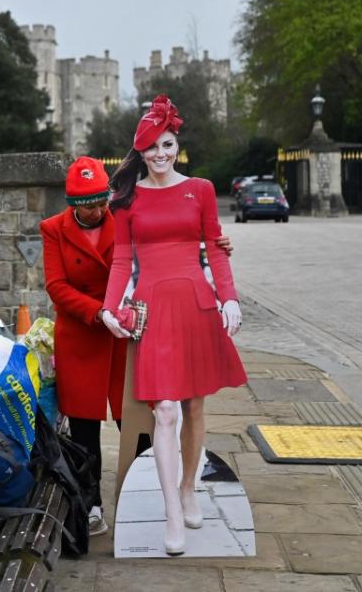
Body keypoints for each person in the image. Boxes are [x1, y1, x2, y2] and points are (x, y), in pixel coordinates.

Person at [40, 156, 231, 537]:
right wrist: (99, 312)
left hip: (127, 335)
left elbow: (172, 244)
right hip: (82, 334)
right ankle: (90, 503)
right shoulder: (53, 230)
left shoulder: (126, 216)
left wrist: (216, 246)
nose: (97, 211)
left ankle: (141, 496)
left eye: (100, 202)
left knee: (139, 421)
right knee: (83, 429)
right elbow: (56, 287)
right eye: (88, 206)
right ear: (72, 205)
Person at [99, 94, 247, 556]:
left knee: (195, 407)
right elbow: (123, 258)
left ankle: (189, 488)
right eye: (150, 148)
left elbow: (216, 248)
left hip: (197, 307)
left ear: (176, 144)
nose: (159, 154)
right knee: (165, 410)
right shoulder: (126, 200)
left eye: (166, 145)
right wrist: (108, 307)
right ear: (139, 152)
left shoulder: (201, 189)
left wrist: (230, 298)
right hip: (153, 310)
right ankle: (170, 512)